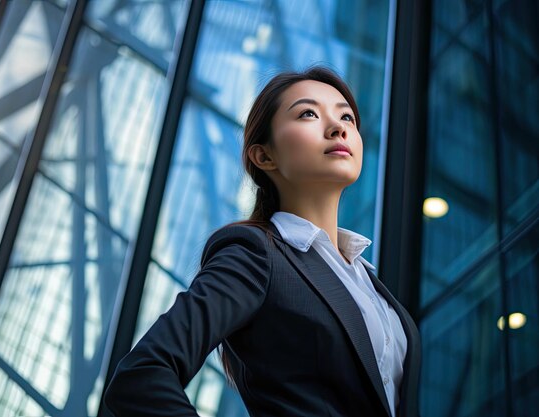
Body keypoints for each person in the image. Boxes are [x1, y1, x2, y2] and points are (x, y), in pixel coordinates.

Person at [103, 66, 421, 417]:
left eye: (347, 116)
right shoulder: (256, 253)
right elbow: (141, 375)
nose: (338, 127)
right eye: (308, 113)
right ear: (264, 156)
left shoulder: (368, 282)